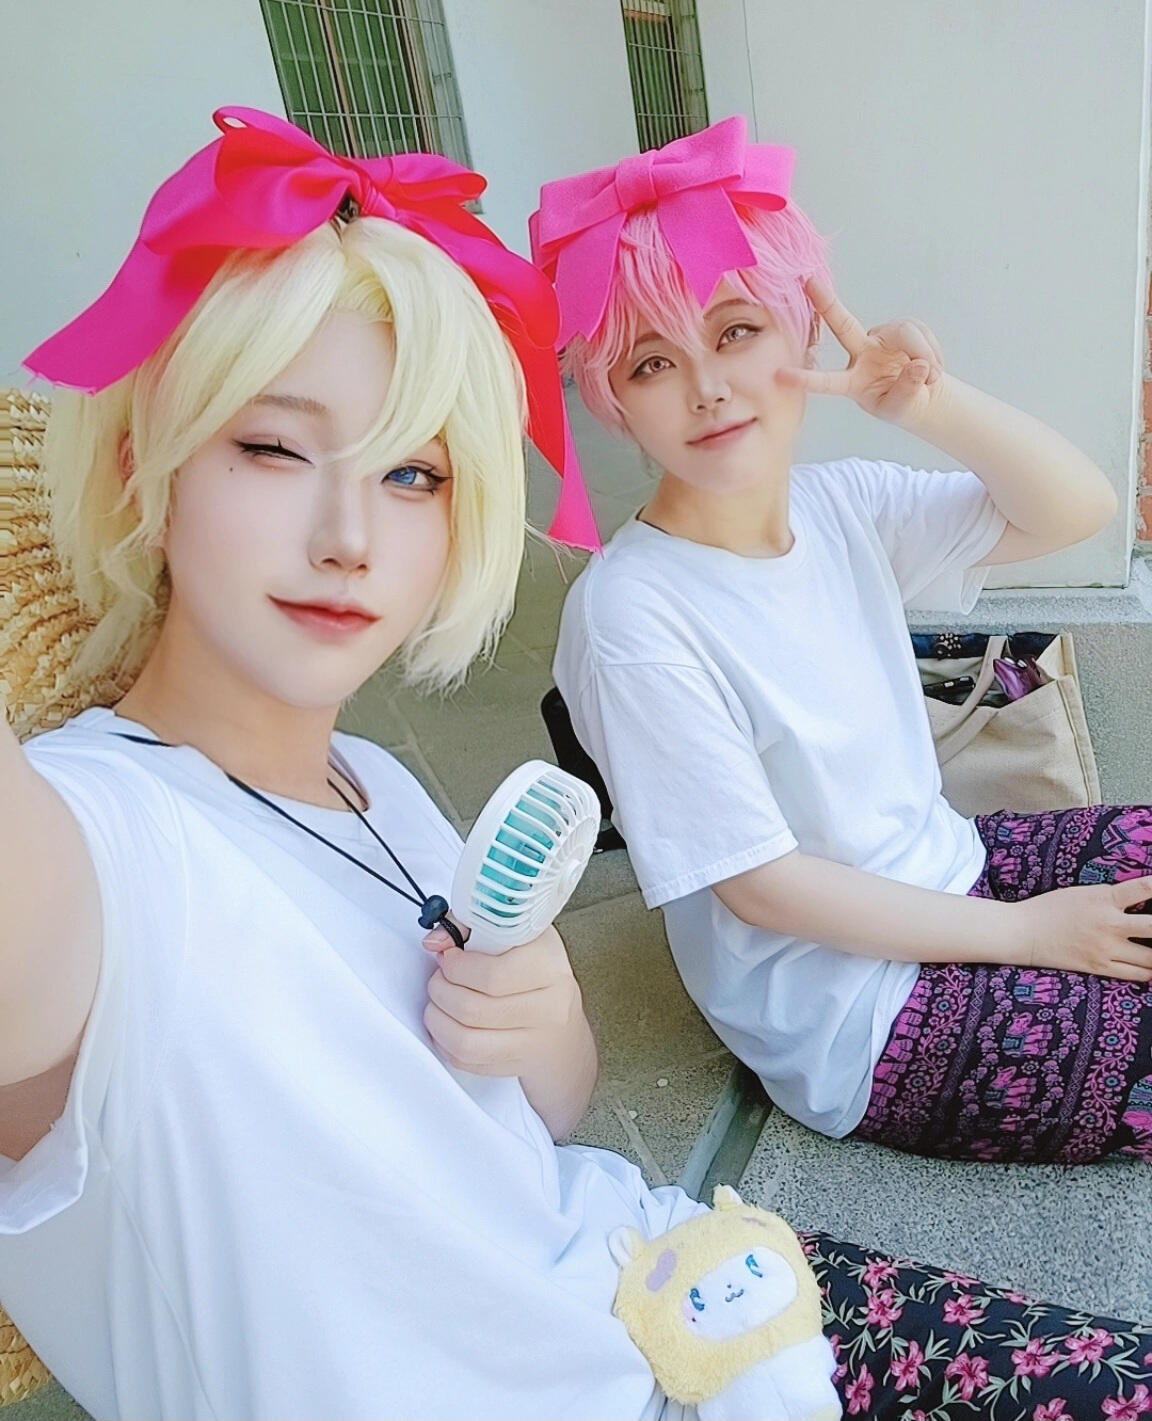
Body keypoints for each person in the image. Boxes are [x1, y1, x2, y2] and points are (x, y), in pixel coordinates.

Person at [3, 107, 1151, 1421]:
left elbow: (534, 1120)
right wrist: (1030, 932)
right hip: (842, 1044)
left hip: (691, 1288)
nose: (347, 534)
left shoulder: (380, 787)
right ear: (146, 472)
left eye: (414, 474)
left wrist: (545, 1018)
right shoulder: (95, 848)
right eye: (272, 447)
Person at [538, 115, 1152, 1171]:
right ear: (614, 402)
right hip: (851, 1011)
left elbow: (1078, 505)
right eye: (652, 362)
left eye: (737, 331)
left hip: (955, 877)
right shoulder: (630, 615)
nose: (708, 386)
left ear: (802, 338)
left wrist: (926, 403)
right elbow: (763, 886)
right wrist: (1036, 933)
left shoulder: (841, 505)